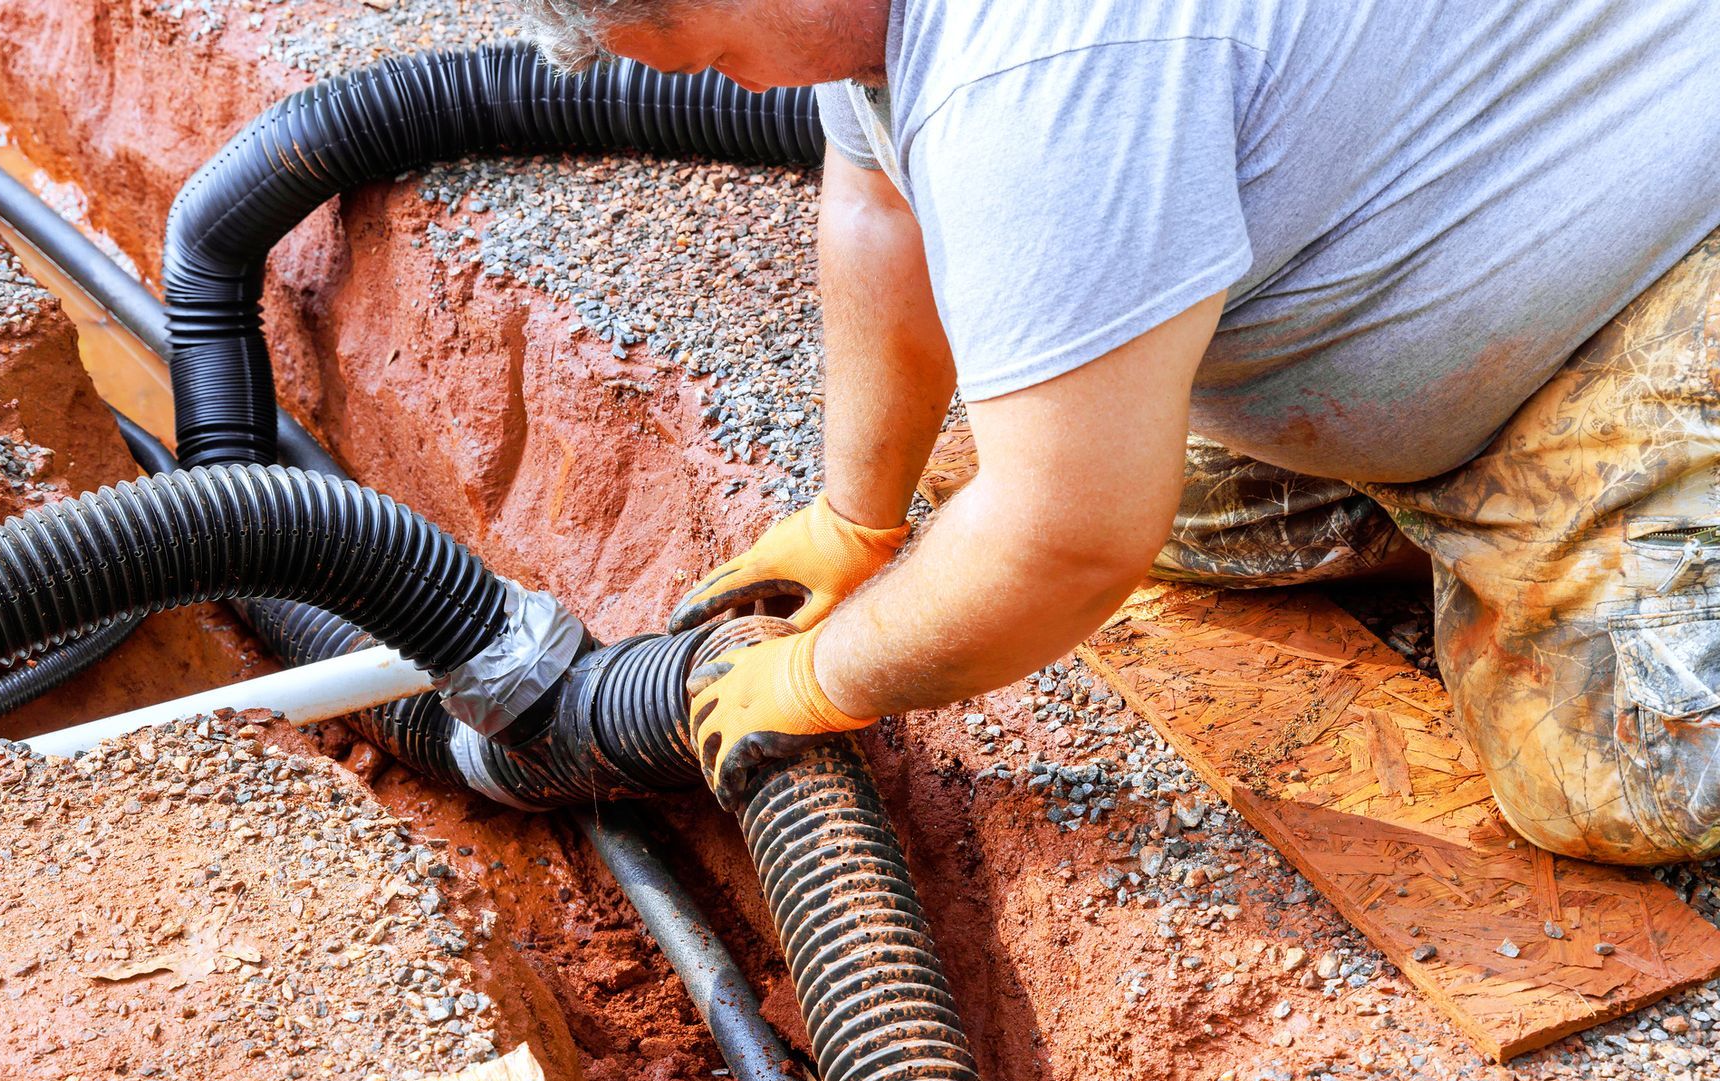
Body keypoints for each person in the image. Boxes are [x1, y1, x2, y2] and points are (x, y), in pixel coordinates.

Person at [518, 0, 1720, 865]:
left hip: (1663, 263)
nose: (708, 78)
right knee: (1033, 462)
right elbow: (883, 203)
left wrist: (822, 676)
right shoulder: (874, 26)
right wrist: (855, 511)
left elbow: (1066, 539)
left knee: (1626, 767)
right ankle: (1463, 498)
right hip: (1470, 240)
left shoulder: (1044, 71)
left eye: (687, 40)